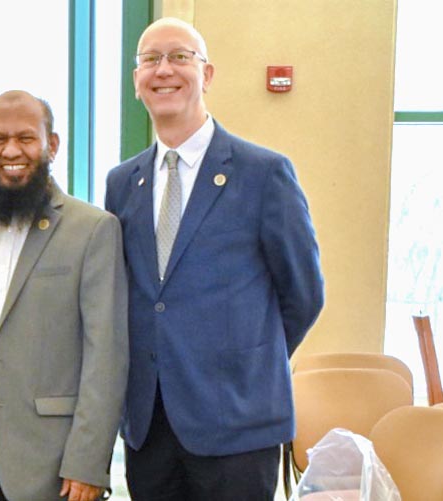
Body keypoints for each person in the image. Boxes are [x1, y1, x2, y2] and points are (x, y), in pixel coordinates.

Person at [104, 17, 325, 500]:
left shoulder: (264, 173)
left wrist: (246, 359)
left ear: (206, 75)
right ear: (137, 80)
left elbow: (303, 295)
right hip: (150, 424)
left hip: (239, 423)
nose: (165, 70)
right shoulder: (122, 183)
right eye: (150, 60)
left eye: (180, 57)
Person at [0, 90, 129, 501]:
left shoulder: (92, 229)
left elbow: (105, 357)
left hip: (53, 458)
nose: (11, 151)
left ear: (51, 145)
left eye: (26, 138)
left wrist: (88, 461)